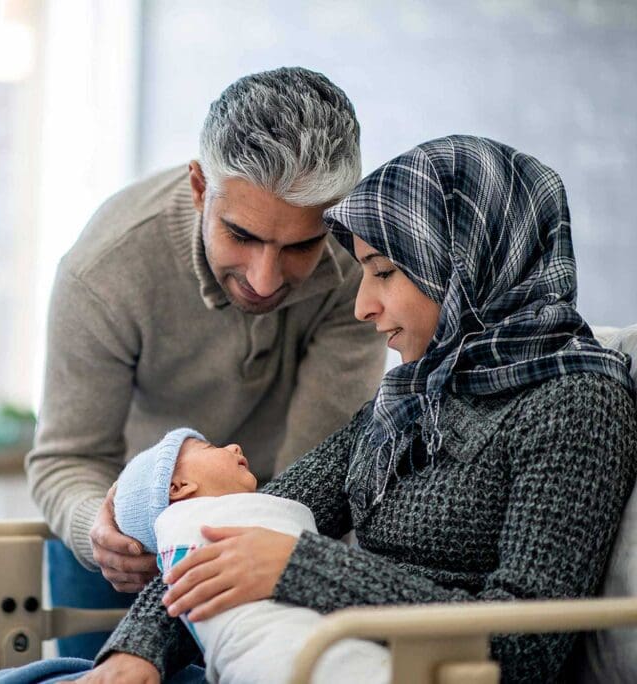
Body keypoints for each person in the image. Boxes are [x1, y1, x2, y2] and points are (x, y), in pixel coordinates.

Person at [83, 135, 637, 683]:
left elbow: (526, 648)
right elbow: (237, 526)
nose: (363, 306)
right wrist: (136, 653)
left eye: (385, 272)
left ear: (463, 263)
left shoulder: (575, 403)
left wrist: (301, 568)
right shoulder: (410, 400)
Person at [27, 66, 387, 656]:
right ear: (200, 188)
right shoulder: (106, 271)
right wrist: (104, 531)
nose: (265, 280)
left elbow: (314, 477)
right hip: (125, 551)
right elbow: (67, 457)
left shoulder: (357, 271)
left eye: (299, 245)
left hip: (274, 528)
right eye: (241, 235)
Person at [113, 427, 391, 684]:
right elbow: (185, 581)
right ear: (178, 487)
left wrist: (299, 562)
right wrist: (137, 650)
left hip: (312, 653)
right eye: (210, 448)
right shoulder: (375, 428)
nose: (234, 447)